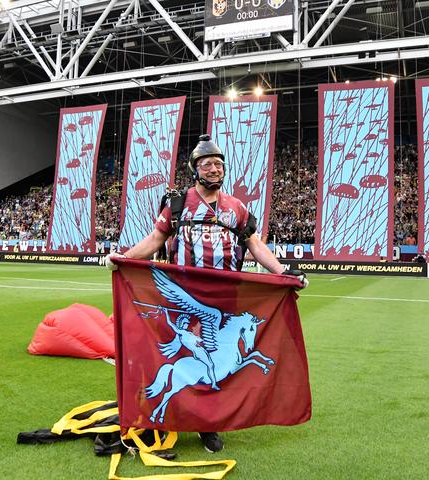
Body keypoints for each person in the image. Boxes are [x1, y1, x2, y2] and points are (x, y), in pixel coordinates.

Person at [106, 134, 307, 453]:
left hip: (226, 299)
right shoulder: (177, 204)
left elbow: (254, 244)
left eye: (218, 164)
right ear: (195, 169)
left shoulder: (237, 208)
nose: (214, 169)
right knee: (179, 357)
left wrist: (283, 273)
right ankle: (159, 414)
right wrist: (125, 258)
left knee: (218, 363)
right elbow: (156, 240)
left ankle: (207, 425)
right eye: (207, 164)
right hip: (185, 297)